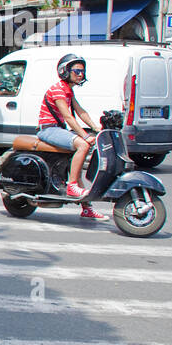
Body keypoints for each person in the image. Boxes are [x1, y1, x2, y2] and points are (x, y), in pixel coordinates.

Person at [38, 52, 106, 221]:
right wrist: (84, 135)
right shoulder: (58, 90)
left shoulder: (68, 91)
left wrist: (96, 127)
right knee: (82, 145)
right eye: (77, 71)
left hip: (57, 130)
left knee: (74, 167)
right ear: (65, 71)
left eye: (82, 71)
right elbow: (68, 116)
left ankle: (86, 208)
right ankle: (72, 186)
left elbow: (80, 111)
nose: (81, 74)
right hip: (48, 129)